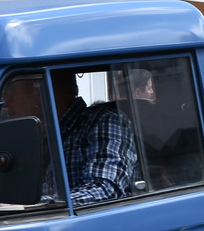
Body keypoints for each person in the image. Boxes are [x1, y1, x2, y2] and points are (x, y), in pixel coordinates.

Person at [47, 70, 137, 205]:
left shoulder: (104, 121)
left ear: (39, 92)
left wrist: (39, 207)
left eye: (11, 93)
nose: (7, 103)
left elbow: (105, 188)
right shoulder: (44, 130)